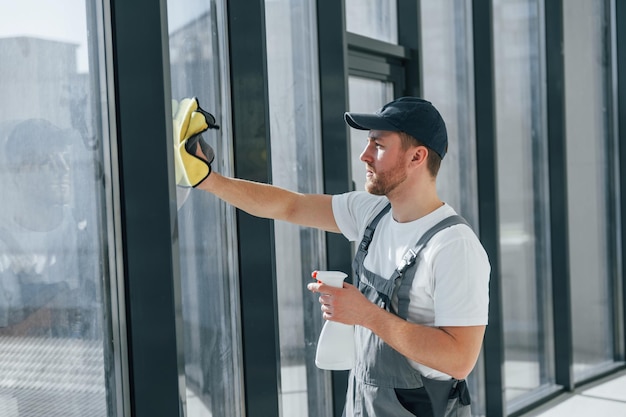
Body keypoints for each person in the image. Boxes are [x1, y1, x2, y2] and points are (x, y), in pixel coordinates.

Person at [174, 97, 490, 417]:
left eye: (378, 146)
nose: (364, 156)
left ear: (417, 156)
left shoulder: (452, 246)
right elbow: (289, 205)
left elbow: (459, 360)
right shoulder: (373, 213)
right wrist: (208, 180)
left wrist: (364, 314)